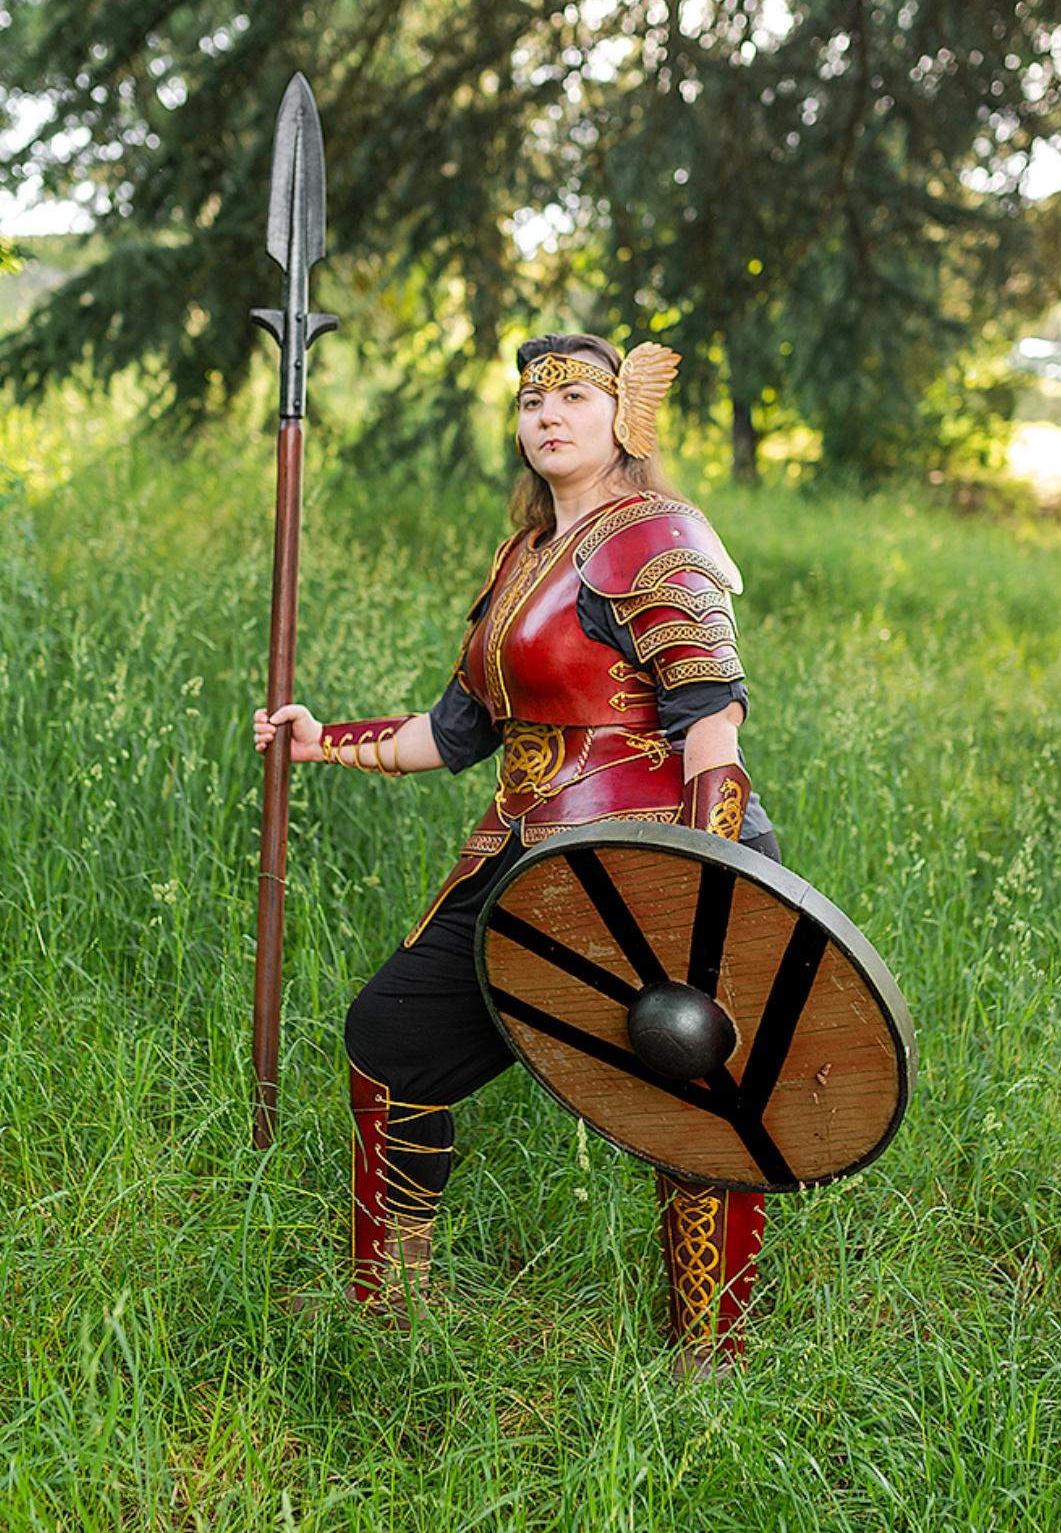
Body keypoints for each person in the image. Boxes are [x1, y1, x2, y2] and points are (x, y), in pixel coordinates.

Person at [254, 332, 780, 1378]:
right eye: (531, 401)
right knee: (394, 1038)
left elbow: (712, 726)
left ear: (624, 414)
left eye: (573, 396)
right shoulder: (525, 557)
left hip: (655, 854)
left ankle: (708, 1357)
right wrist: (321, 739)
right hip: (525, 850)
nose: (546, 416)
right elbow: (457, 733)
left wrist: (707, 895)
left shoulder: (652, 537)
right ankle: (390, 1305)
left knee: (691, 1090)